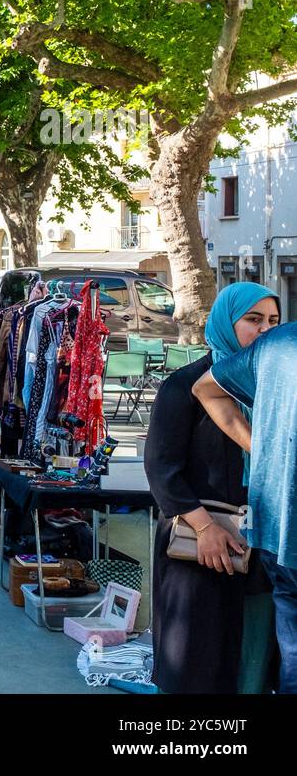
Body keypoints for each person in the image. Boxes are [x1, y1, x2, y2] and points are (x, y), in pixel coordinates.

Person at [146, 283, 279, 693]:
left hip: (259, 547)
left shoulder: (276, 391)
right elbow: (161, 468)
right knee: (195, 660)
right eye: (253, 320)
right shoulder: (185, 386)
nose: (264, 331)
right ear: (226, 323)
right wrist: (205, 528)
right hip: (198, 544)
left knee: (252, 656)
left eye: (273, 321)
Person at [194, 304, 297, 694]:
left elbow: (206, 388)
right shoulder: (277, 343)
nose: (263, 326)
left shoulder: (277, 344)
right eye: (253, 318)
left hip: (278, 530)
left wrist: (265, 450)